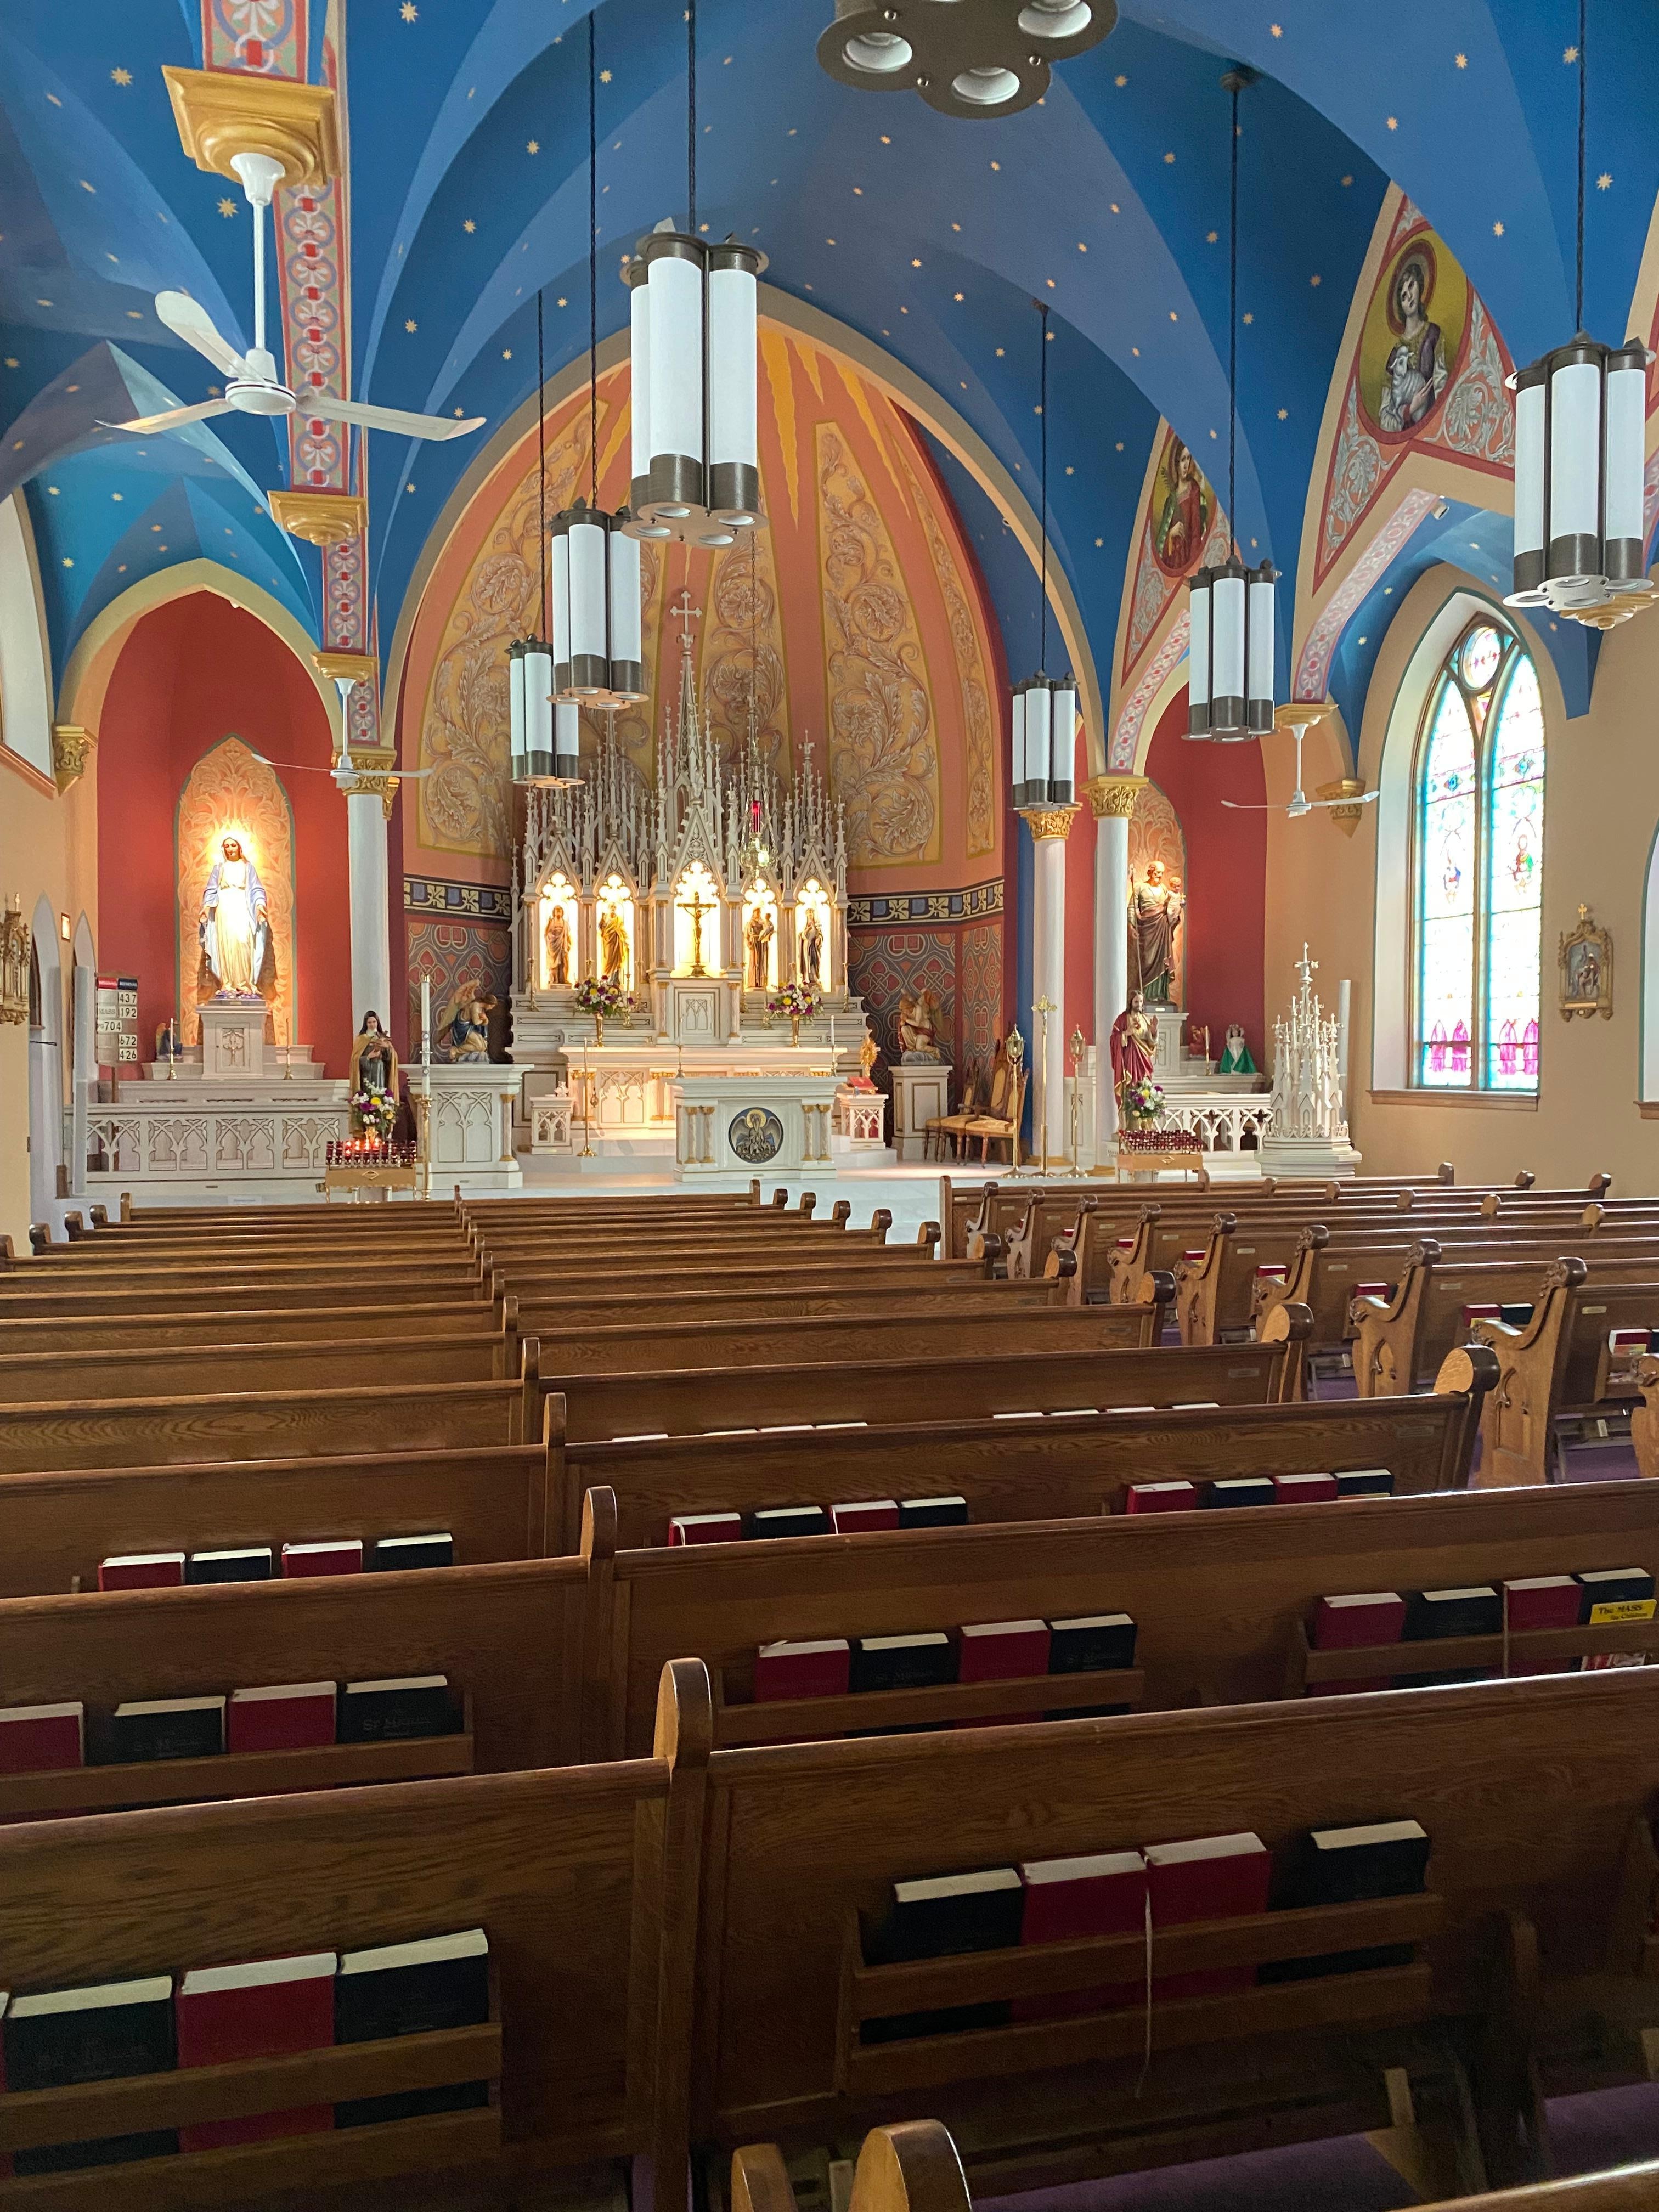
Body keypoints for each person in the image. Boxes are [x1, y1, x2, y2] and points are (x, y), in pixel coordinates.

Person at [1377, 250, 1446, 433]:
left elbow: (1441, 386)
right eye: (1403, 295)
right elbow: (1385, 415)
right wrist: (1410, 409)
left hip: (1431, 428)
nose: (1409, 296)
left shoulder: (1433, 335)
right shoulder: (1394, 355)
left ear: (1421, 287)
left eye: (1412, 286)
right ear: (1400, 304)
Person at [198, 834, 270, 1000]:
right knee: (227, 945)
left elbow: (256, 890)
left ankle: (245, 984)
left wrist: (260, 906)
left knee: (243, 942)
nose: (230, 849)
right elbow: (211, 889)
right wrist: (206, 907)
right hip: (224, 909)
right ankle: (228, 984)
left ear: (239, 847)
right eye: (227, 846)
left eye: (233, 845)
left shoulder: (248, 867)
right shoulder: (219, 868)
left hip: (242, 907)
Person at [1130, 858, 1183, 1003]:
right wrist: (1131, 925)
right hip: (1146, 929)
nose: (1159, 875)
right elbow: (1132, 907)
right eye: (1157, 872)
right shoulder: (1140, 887)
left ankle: (1161, 996)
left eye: (1162, 873)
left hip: (1162, 929)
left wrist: (1177, 911)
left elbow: (1171, 908)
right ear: (1151, 872)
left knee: (1162, 959)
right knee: (1147, 959)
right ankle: (1146, 997)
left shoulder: (1165, 889)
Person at [1109, 991, 1158, 1114]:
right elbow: (1113, 1038)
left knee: (1144, 1088)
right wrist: (1125, 1034)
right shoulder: (1122, 1019)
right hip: (1130, 1059)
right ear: (1131, 1002)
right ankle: (1129, 1122)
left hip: (1143, 1060)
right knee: (1131, 1089)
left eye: (1141, 1001)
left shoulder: (1146, 1020)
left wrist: (1153, 1031)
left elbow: (1151, 1043)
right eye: (1136, 1002)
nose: (1139, 1004)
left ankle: (1144, 1120)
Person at [349, 1009, 398, 1098]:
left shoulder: (383, 1038)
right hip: (367, 1072)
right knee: (367, 1093)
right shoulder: (361, 1039)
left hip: (380, 1070)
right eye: (369, 1022)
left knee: (380, 1093)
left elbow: (391, 1058)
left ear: (378, 1022)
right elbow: (355, 1059)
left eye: (374, 1022)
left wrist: (387, 1048)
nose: (372, 1025)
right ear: (366, 1024)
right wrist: (368, 1057)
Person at [440, 992, 494, 1063]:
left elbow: (483, 1024)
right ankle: (456, 1050)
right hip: (464, 1030)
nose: (491, 1009)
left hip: (471, 1029)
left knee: (483, 1047)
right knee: (478, 1046)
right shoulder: (476, 1006)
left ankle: (459, 1051)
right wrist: (484, 1019)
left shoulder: (481, 1008)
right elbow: (476, 1022)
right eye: (491, 1006)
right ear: (488, 1003)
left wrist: (485, 1020)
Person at [746, 902, 774, 990]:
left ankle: (762, 982)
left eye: (760, 912)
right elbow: (746, 936)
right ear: (754, 913)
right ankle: (753, 982)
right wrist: (749, 944)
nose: (759, 914)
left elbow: (768, 929)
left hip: (762, 944)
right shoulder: (750, 923)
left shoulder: (763, 923)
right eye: (757, 912)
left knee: (762, 962)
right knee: (755, 962)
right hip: (754, 944)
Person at [544, 902, 571, 987]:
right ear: (554, 912)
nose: (558, 912)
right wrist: (553, 938)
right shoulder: (551, 922)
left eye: (560, 910)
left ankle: (564, 979)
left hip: (563, 944)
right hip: (553, 945)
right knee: (554, 963)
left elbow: (568, 935)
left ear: (563, 912)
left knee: (564, 962)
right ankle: (554, 980)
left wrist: (568, 943)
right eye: (557, 910)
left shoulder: (565, 923)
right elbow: (547, 933)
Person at [799, 906, 825, 990]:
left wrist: (819, 939)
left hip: (814, 947)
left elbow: (820, 935)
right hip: (806, 947)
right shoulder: (805, 926)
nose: (810, 916)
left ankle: (815, 979)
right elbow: (802, 936)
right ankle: (808, 979)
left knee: (814, 963)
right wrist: (807, 930)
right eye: (809, 915)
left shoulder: (816, 926)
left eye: (812, 915)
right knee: (808, 963)